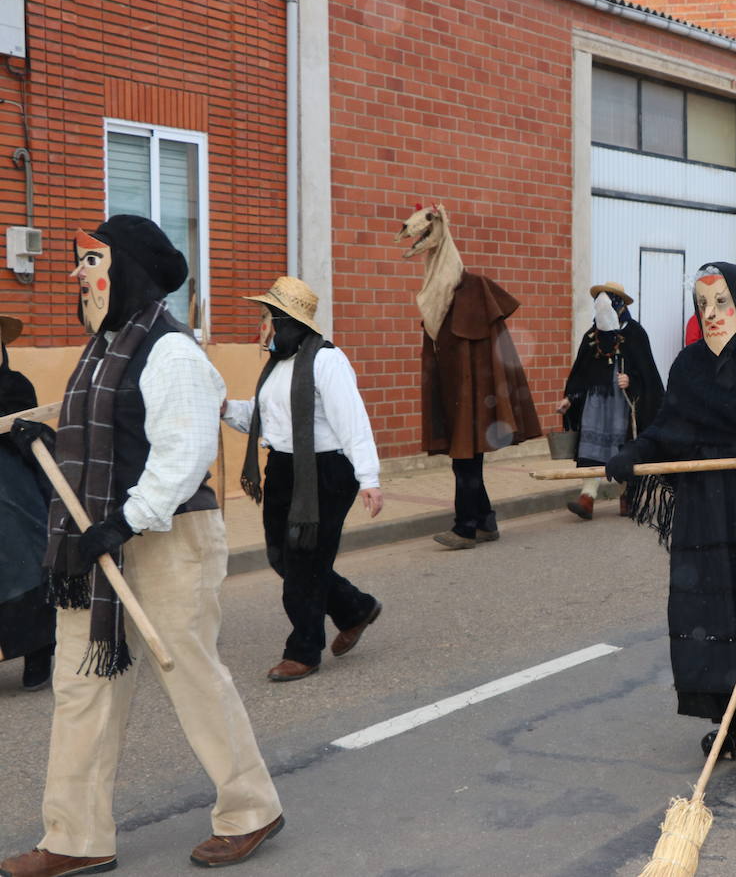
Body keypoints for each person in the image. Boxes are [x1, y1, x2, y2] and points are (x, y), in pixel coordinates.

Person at [2, 217, 283, 875]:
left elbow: (182, 456)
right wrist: (38, 434)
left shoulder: (173, 353)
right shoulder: (102, 349)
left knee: (190, 677)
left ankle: (251, 808)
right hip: (95, 542)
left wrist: (124, 522)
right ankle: (75, 838)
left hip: (166, 537)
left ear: (123, 268)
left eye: (89, 261)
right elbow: (92, 428)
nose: (76, 274)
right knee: (81, 685)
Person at [606, 262, 736, 760]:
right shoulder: (690, 364)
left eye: (722, 302)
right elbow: (667, 426)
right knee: (709, 613)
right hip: (702, 510)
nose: (712, 314)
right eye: (703, 305)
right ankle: (729, 719)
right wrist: (636, 454)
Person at [221, 277, 384, 682]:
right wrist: (225, 408)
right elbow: (267, 421)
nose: (261, 326)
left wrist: (369, 478)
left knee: (306, 565)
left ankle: (304, 650)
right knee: (282, 557)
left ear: (285, 320)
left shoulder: (327, 361)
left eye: (266, 317)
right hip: (282, 470)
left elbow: (352, 422)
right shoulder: (278, 365)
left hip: (325, 473)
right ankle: (354, 608)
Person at [396, 204, 542, 551]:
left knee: (466, 463)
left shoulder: (472, 288)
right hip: (455, 393)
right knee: (465, 462)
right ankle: (485, 521)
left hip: (477, 394)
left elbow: (488, 353)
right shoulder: (438, 292)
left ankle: (466, 527)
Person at [557, 282, 663, 520]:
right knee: (590, 448)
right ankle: (587, 496)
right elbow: (581, 372)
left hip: (623, 404)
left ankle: (627, 496)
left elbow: (648, 373)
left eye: (611, 299)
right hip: (595, 404)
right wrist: (570, 398)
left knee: (623, 447)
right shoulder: (592, 336)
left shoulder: (635, 333)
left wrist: (631, 380)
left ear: (621, 304)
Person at [0, 315, 56, 691]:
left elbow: (29, 435)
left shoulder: (15, 385)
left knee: (25, 560)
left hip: (11, 485)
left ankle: (39, 650)